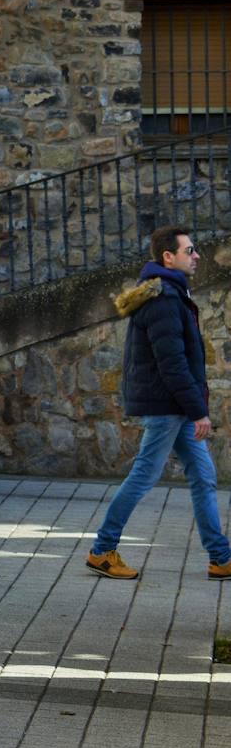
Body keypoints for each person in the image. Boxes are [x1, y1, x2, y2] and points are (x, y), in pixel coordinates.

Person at [89, 226, 231, 581]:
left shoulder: (172, 293)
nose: (196, 255)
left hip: (176, 406)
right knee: (144, 475)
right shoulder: (165, 299)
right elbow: (173, 364)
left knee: (204, 476)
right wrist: (198, 410)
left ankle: (221, 557)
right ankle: (102, 551)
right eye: (190, 250)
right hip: (169, 408)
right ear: (169, 257)